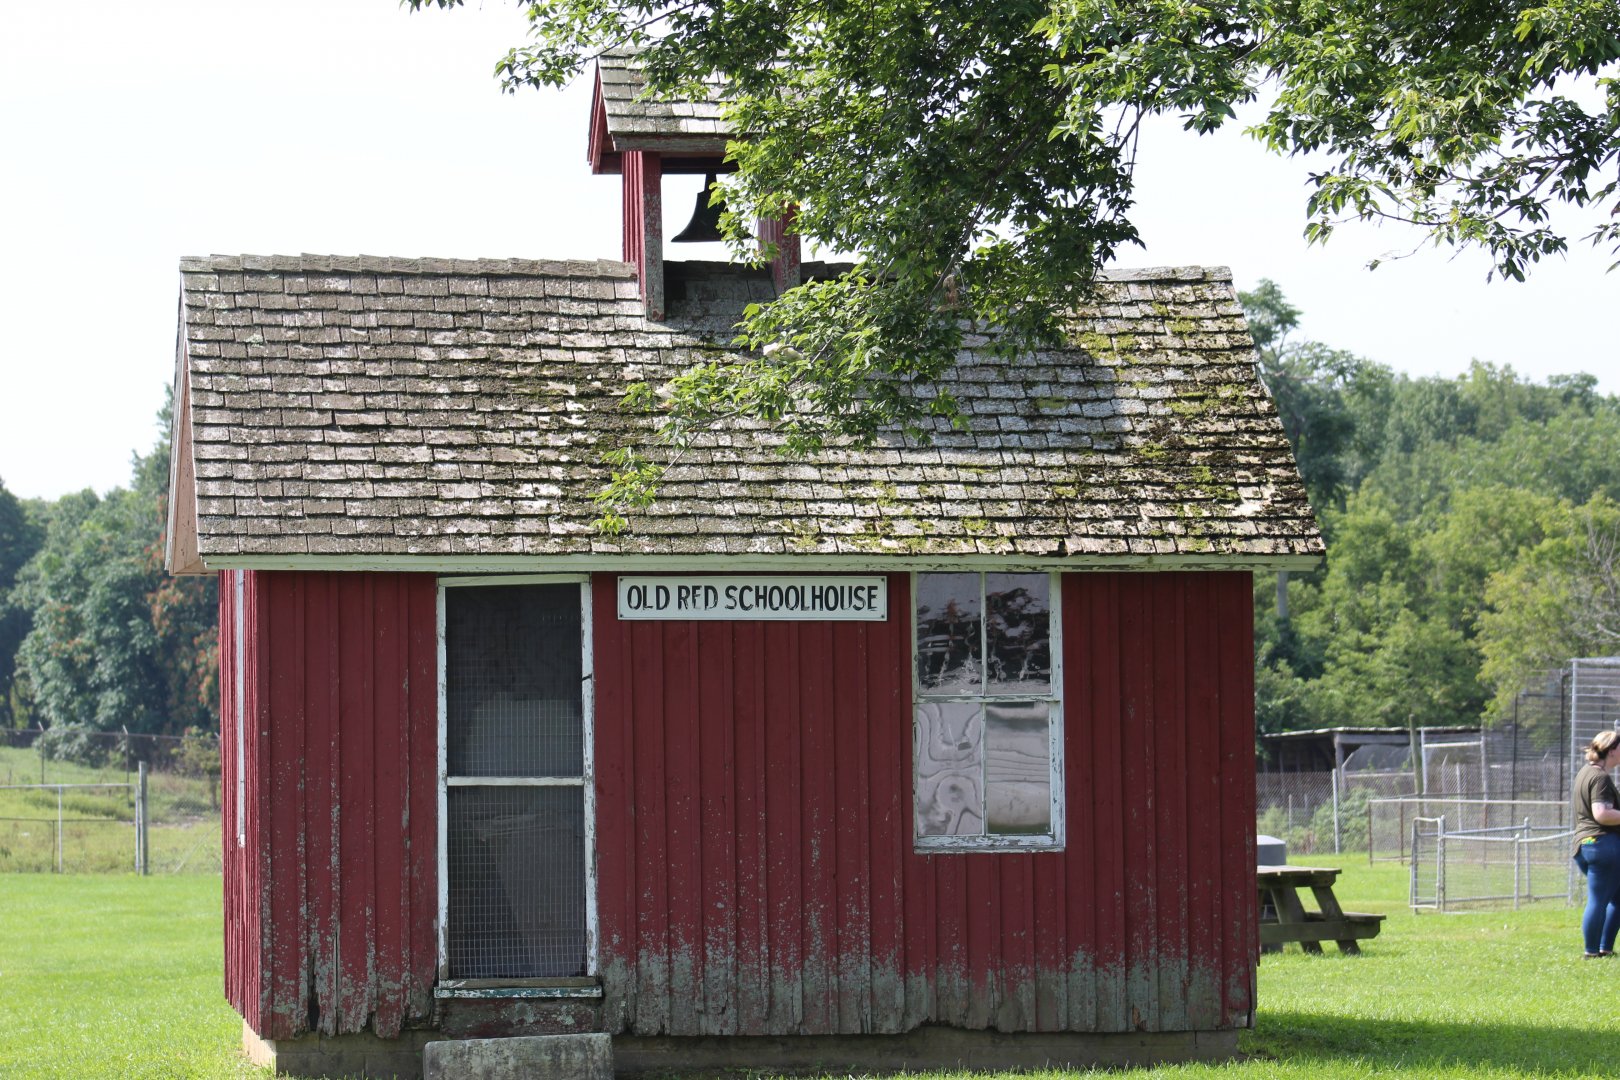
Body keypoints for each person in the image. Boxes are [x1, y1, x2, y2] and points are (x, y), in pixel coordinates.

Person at [1573, 730, 1620, 957]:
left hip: (1585, 845)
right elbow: (1602, 814)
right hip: (1603, 845)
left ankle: (1605, 948)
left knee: (1617, 898)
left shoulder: (1585, 773)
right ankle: (1592, 952)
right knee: (1598, 899)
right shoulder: (1600, 777)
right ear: (1612, 750)